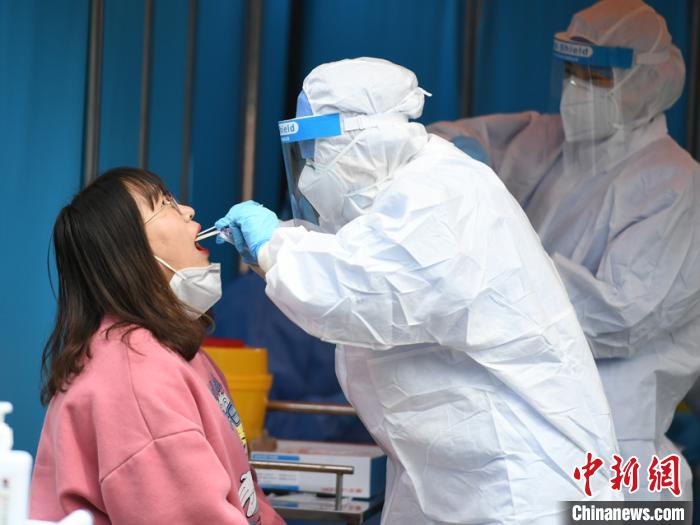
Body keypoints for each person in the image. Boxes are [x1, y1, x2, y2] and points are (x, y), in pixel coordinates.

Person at [216, 57, 622, 525]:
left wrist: (275, 247)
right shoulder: (409, 195)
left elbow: (358, 291)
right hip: (457, 479)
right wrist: (280, 248)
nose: (308, 173)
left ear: (362, 140)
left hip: (518, 486)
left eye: (316, 151)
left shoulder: (442, 195)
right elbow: (361, 257)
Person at [430, 0, 700, 502]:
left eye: (597, 76)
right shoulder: (546, 140)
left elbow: (618, 318)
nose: (577, 89)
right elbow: (443, 141)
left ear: (647, 83)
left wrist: (494, 266)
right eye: (572, 72)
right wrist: (452, 162)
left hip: (619, 456)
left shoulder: (675, 184)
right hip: (528, 438)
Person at [30, 168, 284, 525]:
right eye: (165, 204)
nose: (188, 211)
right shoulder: (136, 377)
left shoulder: (167, 350)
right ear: (128, 251)